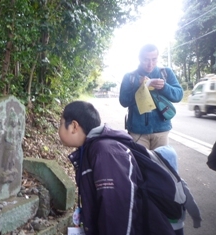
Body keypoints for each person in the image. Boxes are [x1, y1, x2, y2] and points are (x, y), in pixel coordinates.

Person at [58, 100, 175, 235]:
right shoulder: (91, 150)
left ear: (74, 126)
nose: (59, 128)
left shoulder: (105, 153)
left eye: (61, 123)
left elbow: (117, 212)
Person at [119, 44, 183, 150]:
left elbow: (178, 95)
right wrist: (137, 85)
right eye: (146, 60)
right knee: (141, 165)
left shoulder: (166, 73)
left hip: (161, 131)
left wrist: (164, 87)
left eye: (154, 59)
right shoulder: (129, 77)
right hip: (137, 132)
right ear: (139, 58)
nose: (150, 64)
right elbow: (123, 101)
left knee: (160, 165)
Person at [154, 145, 202, 235]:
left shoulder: (150, 180)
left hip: (156, 224)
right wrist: (197, 219)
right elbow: (190, 203)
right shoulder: (180, 183)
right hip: (176, 225)